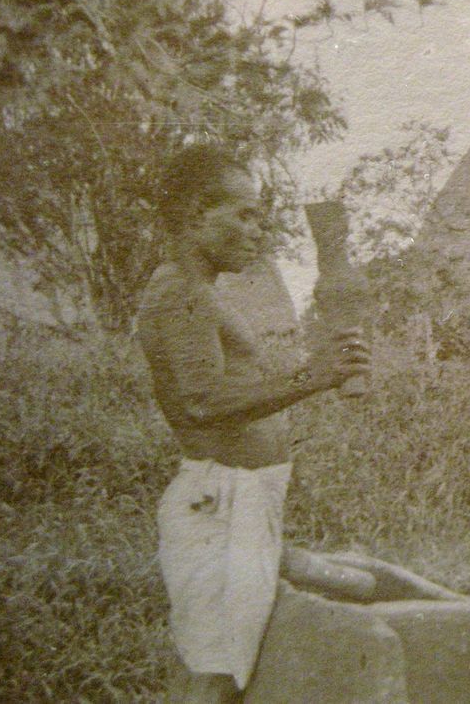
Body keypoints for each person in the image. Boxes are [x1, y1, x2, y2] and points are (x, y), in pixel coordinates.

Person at [136, 144, 378, 703]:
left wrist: (319, 368)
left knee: (234, 664)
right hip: (219, 500)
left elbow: (226, 390)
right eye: (244, 215)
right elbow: (201, 403)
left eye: (260, 218)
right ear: (198, 214)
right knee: (215, 673)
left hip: (239, 500)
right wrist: (313, 379)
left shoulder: (199, 293)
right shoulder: (181, 292)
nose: (257, 232)